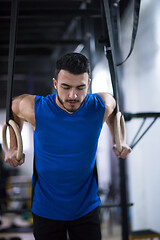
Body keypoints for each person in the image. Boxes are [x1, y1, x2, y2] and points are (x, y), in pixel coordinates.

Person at [4, 53, 131, 240]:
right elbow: (13, 108)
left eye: (80, 88)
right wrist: (13, 147)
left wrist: (118, 140)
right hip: (46, 210)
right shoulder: (36, 109)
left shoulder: (99, 106)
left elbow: (114, 111)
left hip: (86, 208)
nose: (73, 95)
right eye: (66, 87)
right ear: (55, 84)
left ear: (88, 83)